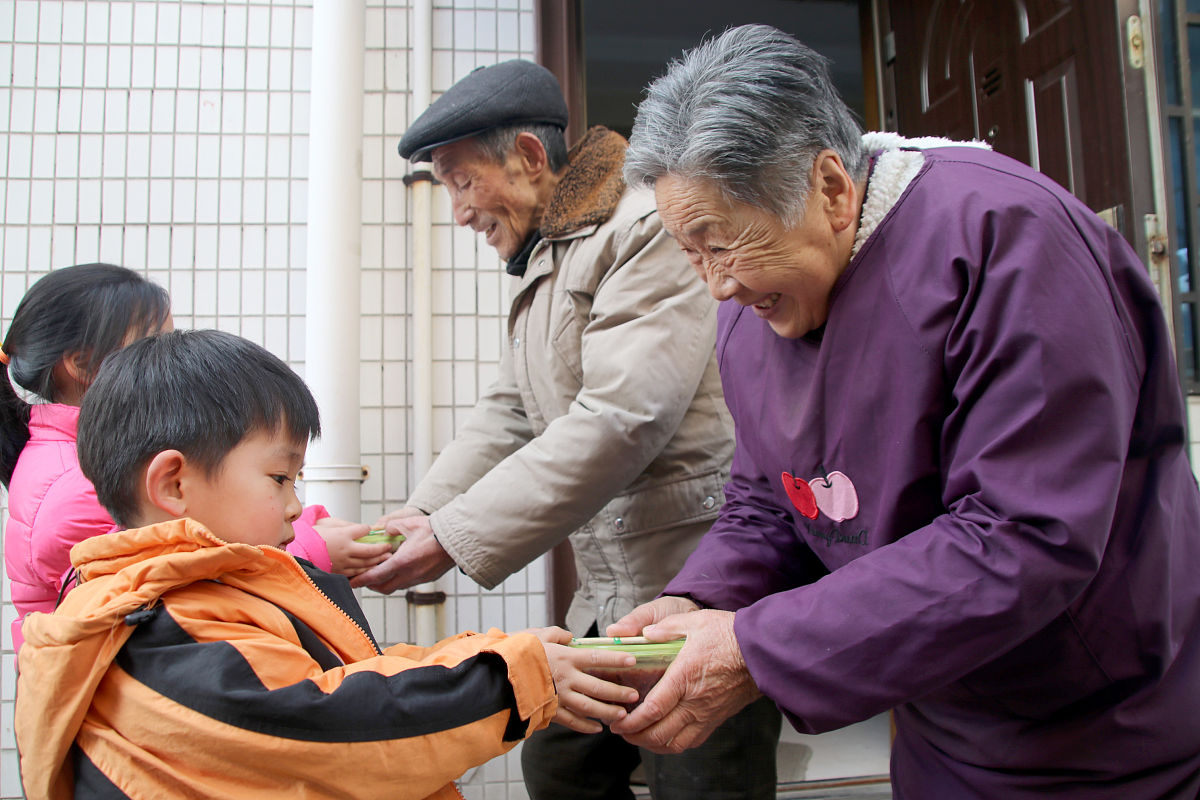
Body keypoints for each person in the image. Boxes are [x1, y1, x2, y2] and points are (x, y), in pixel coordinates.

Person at [603, 23, 1200, 800]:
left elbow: (1024, 536)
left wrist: (754, 648)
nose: (717, 286)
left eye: (723, 244)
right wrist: (700, 599)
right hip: (939, 720)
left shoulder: (1007, 241)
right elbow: (768, 501)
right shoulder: (755, 308)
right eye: (692, 251)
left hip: (1100, 728)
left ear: (832, 188)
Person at [356, 59, 781, 799]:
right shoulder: (546, 256)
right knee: (561, 764)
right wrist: (426, 514)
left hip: (694, 577)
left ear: (526, 155)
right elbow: (510, 408)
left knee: (704, 777)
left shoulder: (643, 228)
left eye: (460, 180)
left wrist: (455, 535)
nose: (458, 212)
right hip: (611, 591)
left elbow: (625, 414)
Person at [14, 328, 638, 800]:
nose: (296, 507)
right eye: (279, 477)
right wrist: (514, 677)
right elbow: (334, 721)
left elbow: (353, 675)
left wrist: (507, 651)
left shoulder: (205, 591)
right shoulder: (159, 627)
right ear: (174, 484)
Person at [0, 265, 391, 653]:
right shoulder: (79, 490)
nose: (170, 358)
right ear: (82, 364)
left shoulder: (87, 459)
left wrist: (306, 521)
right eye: (152, 344)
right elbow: (178, 593)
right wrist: (313, 549)